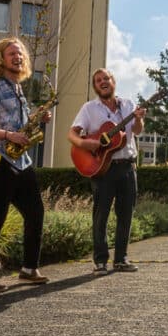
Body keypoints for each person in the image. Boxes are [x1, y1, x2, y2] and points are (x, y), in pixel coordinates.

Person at [0, 37, 49, 292]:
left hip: (22, 161)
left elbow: (18, 125)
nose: (18, 57)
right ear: (0, 59)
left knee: (36, 212)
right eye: (12, 53)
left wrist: (36, 118)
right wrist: (7, 135)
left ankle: (28, 269)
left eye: (21, 53)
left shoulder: (18, 90)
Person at [69, 68, 146, 274]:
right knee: (101, 215)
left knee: (126, 214)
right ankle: (100, 261)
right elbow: (72, 134)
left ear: (114, 82)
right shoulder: (89, 108)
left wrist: (138, 119)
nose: (103, 82)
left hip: (128, 166)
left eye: (106, 78)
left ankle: (121, 259)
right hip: (103, 168)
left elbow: (137, 131)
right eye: (98, 80)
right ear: (95, 86)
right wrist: (86, 144)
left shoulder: (128, 105)